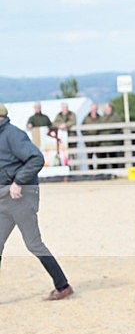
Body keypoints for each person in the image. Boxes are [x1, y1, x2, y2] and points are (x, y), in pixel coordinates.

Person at [0, 103, 74, 300]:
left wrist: (18, 182)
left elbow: (36, 159)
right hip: (4, 200)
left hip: (21, 198)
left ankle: (63, 286)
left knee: (34, 244)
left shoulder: (13, 135)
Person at [99, 102, 123, 168]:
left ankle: (116, 172)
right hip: (103, 142)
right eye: (106, 108)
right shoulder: (102, 117)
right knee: (102, 160)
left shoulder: (115, 116)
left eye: (108, 108)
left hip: (112, 142)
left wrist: (110, 131)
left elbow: (119, 127)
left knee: (114, 158)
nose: (107, 109)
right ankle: (102, 174)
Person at [82, 103, 101, 170]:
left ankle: (99, 171)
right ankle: (91, 171)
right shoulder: (86, 118)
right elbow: (82, 129)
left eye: (95, 108)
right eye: (93, 108)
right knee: (89, 157)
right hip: (89, 141)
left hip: (98, 141)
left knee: (99, 157)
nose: (94, 110)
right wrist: (86, 137)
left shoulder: (100, 118)